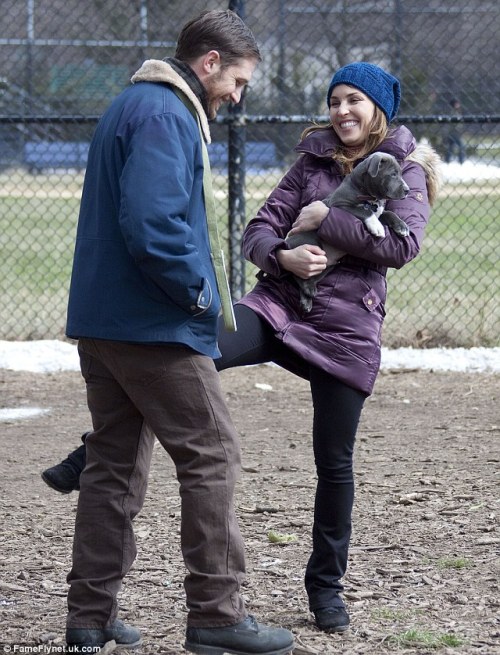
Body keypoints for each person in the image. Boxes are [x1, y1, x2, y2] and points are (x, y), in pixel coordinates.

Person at [44, 61, 441, 635]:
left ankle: (325, 588)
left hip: (346, 330)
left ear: (378, 108)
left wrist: (326, 220)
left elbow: (402, 247)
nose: (341, 111)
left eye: (354, 100)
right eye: (334, 100)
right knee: (187, 357)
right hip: (278, 308)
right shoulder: (311, 160)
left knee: (334, 464)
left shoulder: (406, 169)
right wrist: (281, 256)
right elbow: (258, 229)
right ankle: (98, 449)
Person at [57, 9, 294, 655]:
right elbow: (156, 226)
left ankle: (89, 616)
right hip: (153, 325)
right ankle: (217, 613)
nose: (237, 97)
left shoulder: (132, 103)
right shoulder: (165, 112)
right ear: (209, 62)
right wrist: (199, 295)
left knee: (112, 466)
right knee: (212, 454)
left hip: (105, 322)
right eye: (237, 81)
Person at [444, 98, 465, 164]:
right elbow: (456, 124)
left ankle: (447, 160)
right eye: (457, 103)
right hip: (454, 133)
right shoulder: (453, 112)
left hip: (454, 133)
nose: (459, 105)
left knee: (451, 147)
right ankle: (461, 160)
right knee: (461, 146)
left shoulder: (456, 111)